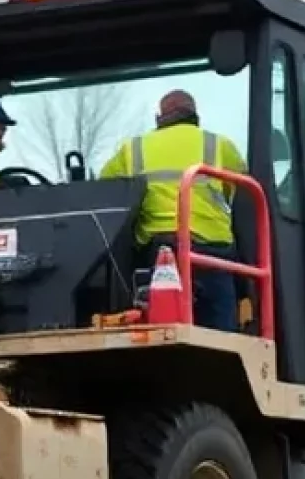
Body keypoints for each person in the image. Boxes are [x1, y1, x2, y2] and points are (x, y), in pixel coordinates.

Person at [98, 89, 247, 332]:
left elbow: (105, 192)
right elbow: (243, 197)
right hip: (213, 254)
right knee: (222, 330)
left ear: (159, 118)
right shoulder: (220, 145)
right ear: (195, 116)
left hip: (161, 255)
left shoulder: (133, 149)